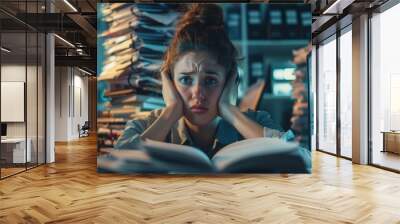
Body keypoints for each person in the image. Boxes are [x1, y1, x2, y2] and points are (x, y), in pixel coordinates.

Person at [115, 4, 294, 158]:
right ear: (169, 82)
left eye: (210, 81)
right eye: (185, 79)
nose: (198, 93)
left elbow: (295, 156)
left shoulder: (257, 122)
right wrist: (170, 113)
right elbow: (116, 164)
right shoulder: (145, 126)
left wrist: (230, 112)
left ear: (229, 82)